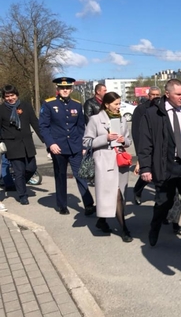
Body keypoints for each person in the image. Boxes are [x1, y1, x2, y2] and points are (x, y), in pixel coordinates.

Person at [137, 79, 181, 253]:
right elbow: (145, 143)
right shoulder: (153, 114)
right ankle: (154, 229)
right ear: (167, 94)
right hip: (165, 167)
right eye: (178, 95)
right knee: (163, 203)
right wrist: (146, 168)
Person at [39, 77, 95, 216]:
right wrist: (51, 143)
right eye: (62, 88)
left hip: (75, 146)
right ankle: (62, 204)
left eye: (68, 88)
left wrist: (84, 145)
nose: (65, 90)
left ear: (71, 89)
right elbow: (44, 127)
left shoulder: (76, 105)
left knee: (81, 174)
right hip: (58, 147)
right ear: (57, 89)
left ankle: (88, 204)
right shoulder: (49, 104)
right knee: (60, 175)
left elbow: (81, 126)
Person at [83, 92, 133, 240]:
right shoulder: (95, 119)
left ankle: (102, 221)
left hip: (120, 162)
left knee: (119, 195)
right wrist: (105, 138)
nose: (119, 107)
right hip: (104, 162)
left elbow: (129, 141)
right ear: (106, 104)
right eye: (116, 104)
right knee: (114, 194)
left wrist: (124, 141)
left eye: (119, 103)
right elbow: (86, 142)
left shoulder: (122, 119)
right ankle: (124, 229)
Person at [0, 85, 42, 205]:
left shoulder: (26, 106)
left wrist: (47, 141)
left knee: (31, 168)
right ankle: (22, 195)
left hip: (27, 143)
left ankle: (20, 184)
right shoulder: (2, 109)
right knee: (19, 171)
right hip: (12, 144)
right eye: (7, 96)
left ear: (16, 95)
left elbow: (35, 123)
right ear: (4, 97)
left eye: (12, 95)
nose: (10, 98)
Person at [131, 86, 161, 205]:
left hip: (159, 145)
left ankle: (161, 203)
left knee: (159, 174)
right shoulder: (141, 109)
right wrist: (140, 153)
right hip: (146, 146)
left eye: (157, 95)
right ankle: (137, 190)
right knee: (148, 172)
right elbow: (136, 132)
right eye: (153, 95)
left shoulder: (162, 107)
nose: (155, 97)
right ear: (148, 96)